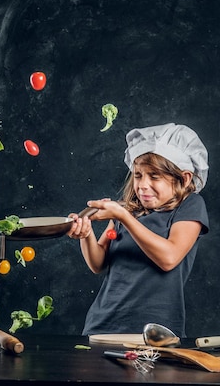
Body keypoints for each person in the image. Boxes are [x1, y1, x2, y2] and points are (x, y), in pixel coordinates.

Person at [67, 123, 209, 338]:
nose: (142, 185)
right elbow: (98, 264)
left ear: (184, 178)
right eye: (138, 175)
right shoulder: (126, 210)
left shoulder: (190, 205)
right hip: (102, 324)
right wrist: (86, 235)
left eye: (154, 176)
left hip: (155, 331)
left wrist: (122, 216)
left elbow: (169, 258)